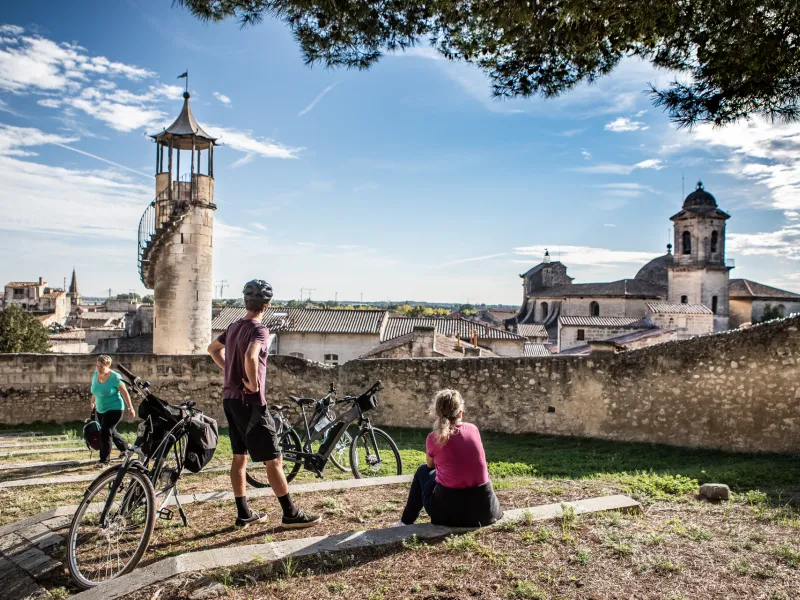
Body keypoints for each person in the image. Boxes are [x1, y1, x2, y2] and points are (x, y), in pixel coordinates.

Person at [207, 280, 321, 529]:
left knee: (239, 457)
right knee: (274, 459)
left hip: (230, 399)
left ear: (245, 302)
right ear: (267, 305)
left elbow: (213, 349)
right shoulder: (260, 330)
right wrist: (253, 383)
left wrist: (229, 372)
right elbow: (251, 356)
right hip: (250, 403)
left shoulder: (233, 327)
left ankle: (244, 513)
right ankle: (290, 513)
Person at [398, 389, 502, 527]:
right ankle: (405, 521)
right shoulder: (473, 429)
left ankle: (405, 522)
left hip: (448, 515)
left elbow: (430, 465)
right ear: (460, 412)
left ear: (437, 413)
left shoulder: (433, 438)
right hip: (486, 511)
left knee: (422, 470)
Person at [90, 355, 135, 467]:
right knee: (111, 431)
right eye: (97, 366)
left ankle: (104, 461)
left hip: (115, 408)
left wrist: (130, 408)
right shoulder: (95, 374)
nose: (98, 368)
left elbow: (125, 393)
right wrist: (92, 401)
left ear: (108, 365)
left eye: (101, 367)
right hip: (100, 409)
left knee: (105, 432)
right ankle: (125, 447)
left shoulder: (115, 377)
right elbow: (95, 389)